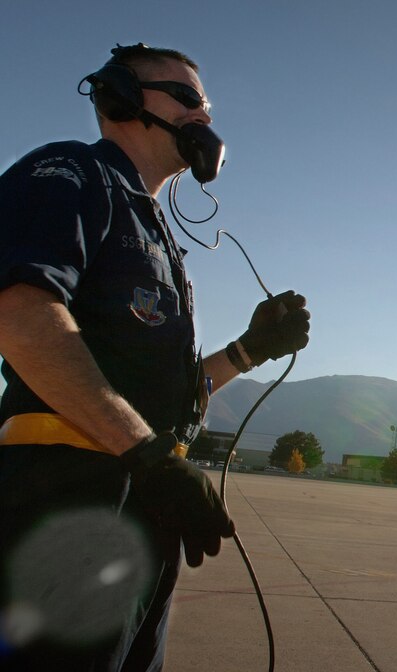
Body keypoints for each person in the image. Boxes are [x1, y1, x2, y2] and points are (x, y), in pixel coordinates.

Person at [0, 44, 310, 670]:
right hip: (71, 499)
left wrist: (246, 351)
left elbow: (158, 394)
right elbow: (21, 314)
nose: (204, 116)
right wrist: (144, 453)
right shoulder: (72, 173)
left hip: (144, 499)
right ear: (121, 98)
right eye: (188, 98)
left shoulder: (157, 234)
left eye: (208, 105)